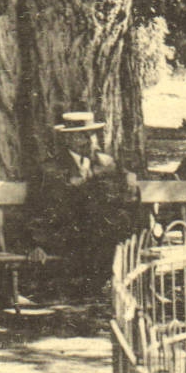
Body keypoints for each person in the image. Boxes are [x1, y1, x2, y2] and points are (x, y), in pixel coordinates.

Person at [25, 111, 140, 293]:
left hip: (100, 236)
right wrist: (36, 244)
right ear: (68, 139)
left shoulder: (107, 163)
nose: (89, 140)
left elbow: (126, 198)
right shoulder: (50, 169)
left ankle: (98, 287)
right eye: (82, 135)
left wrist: (129, 183)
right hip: (66, 235)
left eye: (92, 134)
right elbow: (36, 208)